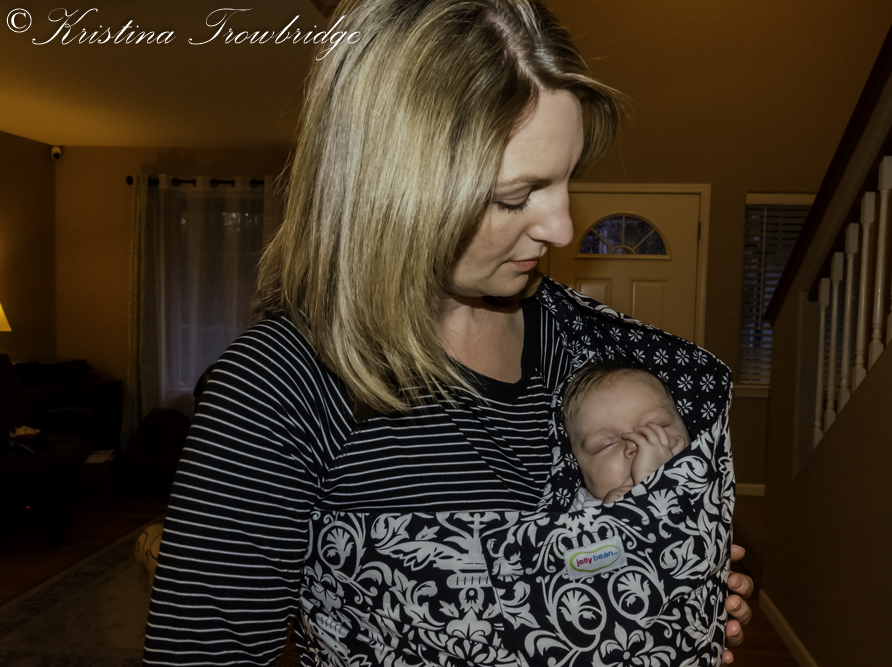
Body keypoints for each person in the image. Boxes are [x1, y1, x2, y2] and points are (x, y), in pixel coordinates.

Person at [142, 1, 753, 665]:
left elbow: (637, 538)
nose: (561, 227)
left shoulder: (598, 354)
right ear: (395, 191)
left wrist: (677, 592)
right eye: (515, 196)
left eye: (567, 179)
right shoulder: (278, 388)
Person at [564, 362, 690, 510]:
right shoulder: (569, 511)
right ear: (577, 466)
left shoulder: (710, 476)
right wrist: (613, 516)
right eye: (606, 445)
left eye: (657, 426)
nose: (636, 444)